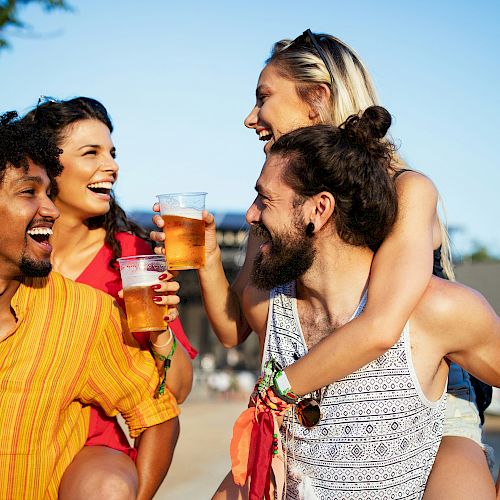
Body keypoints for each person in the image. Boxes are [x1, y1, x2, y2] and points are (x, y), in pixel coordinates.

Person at [150, 30, 493, 498]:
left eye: (264, 98)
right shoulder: (277, 205)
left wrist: (274, 394)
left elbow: (380, 326)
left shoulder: (405, 190)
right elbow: (234, 330)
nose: (251, 117)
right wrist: (208, 256)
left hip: (426, 394)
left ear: (316, 100)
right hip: (318, 395)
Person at [215, 108, 500, 499]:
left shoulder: (434, 311)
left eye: (264, 200)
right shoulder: (268, 306)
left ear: (319, 209)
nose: (250, 215)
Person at [23, 96, 197, 498]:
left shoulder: (133, 256)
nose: (113, 165)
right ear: (47, 166)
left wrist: (162, 329)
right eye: (91, 152)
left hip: (92, 452)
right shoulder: (15, 252)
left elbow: (178, 392)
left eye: (112, 153)